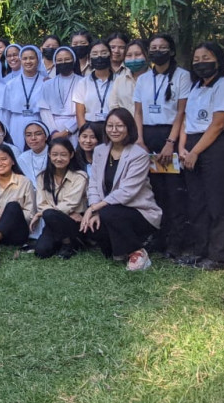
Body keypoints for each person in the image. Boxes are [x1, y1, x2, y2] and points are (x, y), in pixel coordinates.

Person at [177, 41, 224, 270]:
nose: (200, 63)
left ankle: (217, 256)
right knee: (197, 202)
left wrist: (195, 151)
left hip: (218, 146)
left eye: (206, 58)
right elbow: (186, 121)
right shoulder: (196, 87)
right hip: (192, 145)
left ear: (217, 59)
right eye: (196, 60)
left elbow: (217, 124)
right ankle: (198, 250)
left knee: (218, 202)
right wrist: (182, 148)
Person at [134, 33, 191, 257]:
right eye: (154, 47)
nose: (158, 51)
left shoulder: (182, 76)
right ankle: (158, 237)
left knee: (173, 192)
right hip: (147, 137)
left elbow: (181, 112)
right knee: (153, 191)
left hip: (170, 135)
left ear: (171, 51)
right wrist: (139, 139)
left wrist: (171, 143)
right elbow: (137, 112)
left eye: (162, 47)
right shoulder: (143, 79)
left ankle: (176, 242)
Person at [82, 108, 161, 270]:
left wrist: (95, 208)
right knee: (92, 227)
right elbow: (94, 184)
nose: (114, 130)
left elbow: (127, 192)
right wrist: (94, 210)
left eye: (119, 126)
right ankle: (120, 248)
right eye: (110, 125)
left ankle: (138, 252)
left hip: (139, 212)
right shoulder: (100, 150)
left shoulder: (138, 154)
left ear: (129, 128)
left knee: (109, 212)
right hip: (108, 210)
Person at [31, 139, 88, 259]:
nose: (58, 158)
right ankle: (63, 242)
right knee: (41, 251)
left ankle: (69, 244)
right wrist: (46, 212)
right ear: (49, 155)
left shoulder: (80, 176)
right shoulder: (42, 177)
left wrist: (43, 214)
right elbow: (42, 204)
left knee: (50, 214)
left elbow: (70, 203)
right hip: (53, 220)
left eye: (63, 155)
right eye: (54, 154)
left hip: (74, 223)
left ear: (71, 155)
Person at [3, 46, 45, 146]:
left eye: (32, 58)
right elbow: (6, 114)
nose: (28, 61)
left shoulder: (45, 82)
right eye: (25, 58)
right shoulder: (11, 84)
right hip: (16, 124)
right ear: (21, 60)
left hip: (37, 121)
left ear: (38, 60)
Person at [39, 46, 79, 140]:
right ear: (55, 62)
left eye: (67, 59)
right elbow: (44, 110)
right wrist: (53, 131)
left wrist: (68, 130)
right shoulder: (47, 84)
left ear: (73, 60)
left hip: (75, 130)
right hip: (53, 130)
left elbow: (83, 111)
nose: (63, 62)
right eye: (59, 60)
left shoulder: (82, 82)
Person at [74, 40, 115, 131]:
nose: (99, 57)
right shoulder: (83, 83)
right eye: (95, 54)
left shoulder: (119, 81)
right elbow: (80, 114)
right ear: (89, 58)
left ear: (111, 56)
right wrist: (84, 132)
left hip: (114, 128)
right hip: (90, 128)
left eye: (104, 53)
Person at [111, 39, 149, 112]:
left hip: (148, 122)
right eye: (129, 55)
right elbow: (113, 106)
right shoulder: (119, 80)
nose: (133, 58)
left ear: (147, 55)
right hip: (124, 122)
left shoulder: (156, 79)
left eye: (138, 55)